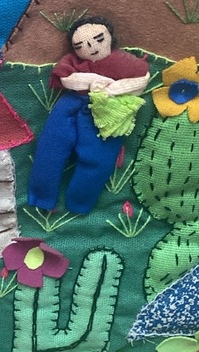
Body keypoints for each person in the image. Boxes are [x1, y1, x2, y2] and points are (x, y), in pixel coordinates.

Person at [27, 16, 150, 214]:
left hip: (106, 112)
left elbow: (142, 79)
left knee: (98, 160)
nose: (91, 47)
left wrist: (112, 89)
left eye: (99, 39)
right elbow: (65, 78)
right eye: (81, 45)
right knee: (50, 150)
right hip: (71, 107)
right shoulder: (72, 61)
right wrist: (96, 81)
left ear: (110, 38)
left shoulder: (124, 61)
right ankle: (41, 197)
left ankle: (80, 202)